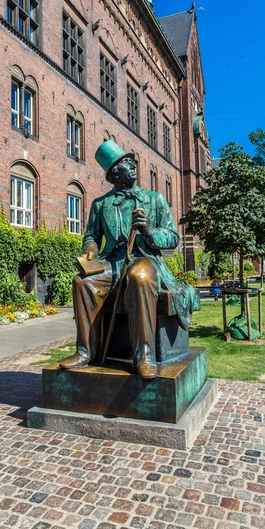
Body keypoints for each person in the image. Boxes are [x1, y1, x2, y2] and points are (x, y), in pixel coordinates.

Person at [60, 140, 199, 379]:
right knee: (82, 282)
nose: (133, 165)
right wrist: (91, 250)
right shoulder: (101, 204)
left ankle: (144, 355)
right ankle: (86, 351)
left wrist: (148, 232)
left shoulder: (154, 199)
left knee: (140, 276)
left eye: (133, 162)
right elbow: (91, 236)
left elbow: (172, 237)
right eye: (127, 163)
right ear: (115, 173)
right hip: (112, 262)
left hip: (146, 259)